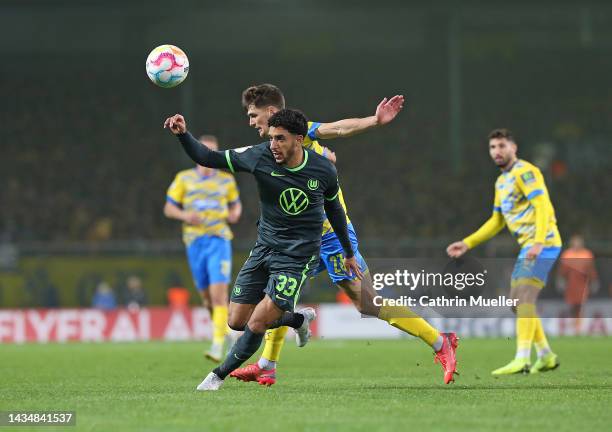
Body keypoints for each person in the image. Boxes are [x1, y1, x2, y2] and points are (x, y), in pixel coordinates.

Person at [230, 84, 458, 386]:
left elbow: (337, 128)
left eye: (253, 115)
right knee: (276, 296)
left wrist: (374, 121)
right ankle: (267, 365)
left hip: (331, 237)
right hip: (299, 240)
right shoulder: (272, 149)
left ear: (271, 112)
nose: (251, 122)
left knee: (367, 302)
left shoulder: (302, 133)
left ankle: (441, 342)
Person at [164, 109, 360, 391]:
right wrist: (183, 134)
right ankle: (297, 319)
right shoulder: (260, 156)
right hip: (264, 248)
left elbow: (336, 211)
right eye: (271, 138)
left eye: (280, 139)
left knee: (257, 323)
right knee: (236, 321)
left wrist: (349, 252)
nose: (273, 145)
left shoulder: (323, 169)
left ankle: (216, 376)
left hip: (298, 257)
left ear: (299, 140)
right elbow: (209, 158)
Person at [447, 128, 562, 375]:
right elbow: (497, 221)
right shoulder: (501, 181)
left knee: (524, 298)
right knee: (515, 302)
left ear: (514, 147)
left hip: (544, 243)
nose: (497, 152)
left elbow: (542, 206)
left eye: (501, 146)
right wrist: (467, 243)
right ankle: (546, 355)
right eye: (492, 147)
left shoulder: (526, 172)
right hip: (528, 246)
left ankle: (522, 358)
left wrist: (539, 241)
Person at [164, 134, 242, 362]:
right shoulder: (184, 179)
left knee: (219, 296)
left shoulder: (226, 180)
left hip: (218, 240)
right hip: (194, 242)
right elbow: (169, 209)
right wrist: (186, 215)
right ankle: (226, 334)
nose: (208, 155)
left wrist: (234, 214)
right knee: (207, 300)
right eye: (204, 150)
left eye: (212, 151)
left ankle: (217, 345)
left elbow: (236, 207)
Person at [557, 234, 598, 334]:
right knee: (571, 305)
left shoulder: (587, 254)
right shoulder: (567, 254)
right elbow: (562, 271)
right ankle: (573, 326)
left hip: (582, 284)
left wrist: (594, 281)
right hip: (570, 285)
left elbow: (591, 270)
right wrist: (560, 281)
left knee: (580, 305)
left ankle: (579, 328)